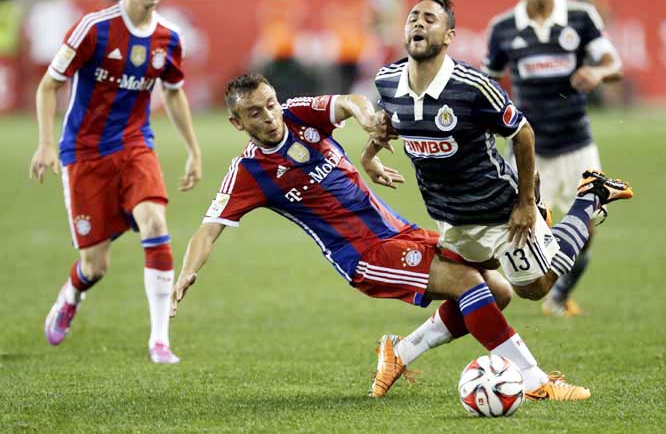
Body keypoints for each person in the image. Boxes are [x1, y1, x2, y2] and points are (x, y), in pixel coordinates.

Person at [170, 73, 595, 401]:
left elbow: (349, 101)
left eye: (270, 104)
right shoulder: (248, 172)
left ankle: (400, 353)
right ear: (236, 122)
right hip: (362, 254)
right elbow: (208, 231)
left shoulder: (299, 113)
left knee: (498, 291)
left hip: (397, 229)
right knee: (468, 285)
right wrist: (187, 273)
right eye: (256, 113)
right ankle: (534, 380)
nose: (269, 116)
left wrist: (366, 117)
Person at [364, 0, 632, 306]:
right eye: (413, 18)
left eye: (429, 19)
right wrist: (368, 156)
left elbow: (523, 132)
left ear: (449, 36)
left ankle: (589, 197)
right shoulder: (387, 80)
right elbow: (394, 123)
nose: (418, 23)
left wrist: (526, 203)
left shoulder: (473, 86)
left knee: (534, 288)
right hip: (446, 211)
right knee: (477, 274)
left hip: (496, 206)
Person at [29, 0, 202, 363]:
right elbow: (50, 84)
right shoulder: (94, 27)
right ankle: (71, 295)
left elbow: (174, 93)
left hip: (134, 145)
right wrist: (47, 143)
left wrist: (193, 151)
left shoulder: (168, 39)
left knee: (155, 219)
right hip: (84, 153)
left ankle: (159, 340)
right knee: (95, 265)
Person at [481, 0, 623, 317]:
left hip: (577, 142)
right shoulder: (503, 28)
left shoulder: (580, 17)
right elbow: (488, 85)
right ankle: (489, 293)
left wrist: (598, 73)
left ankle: (558, 297)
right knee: (517, 227)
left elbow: (613, 63)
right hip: (529, 148)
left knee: (587, 230)